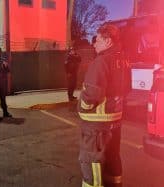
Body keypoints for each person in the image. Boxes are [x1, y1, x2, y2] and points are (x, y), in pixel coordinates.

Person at [77, 24, 131, 187]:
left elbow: (92, 93)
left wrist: (82, 106)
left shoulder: (101, 61)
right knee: (112, 157)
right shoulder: (124, 60)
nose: (94, 43)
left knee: (91, 160)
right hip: (114, 122)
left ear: (108, 41)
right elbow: (127, 88)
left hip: (96, 125)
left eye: (98, 39)